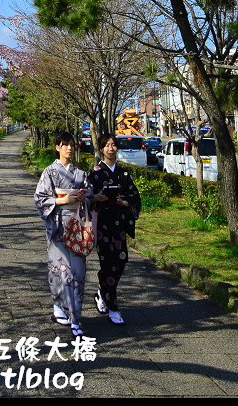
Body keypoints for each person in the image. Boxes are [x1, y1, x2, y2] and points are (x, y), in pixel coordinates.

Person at [34, 130, 91, 338]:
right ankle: (66, 312)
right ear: (57, 147)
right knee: (62, 271)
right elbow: (40, 199)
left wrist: (84, 197)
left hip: (76, 226)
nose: (69, 148)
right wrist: (60, 201)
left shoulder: (80, 174)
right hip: (58, 227)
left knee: (78, 272)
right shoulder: (49, 172)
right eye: (65, 145)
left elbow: (89, 194)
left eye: (71, 145)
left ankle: (75, 314)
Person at [87, 131, 142, 325]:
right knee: (107, 264)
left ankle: (102, 292)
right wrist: (96, 198)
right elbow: (86, 198)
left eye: (113, 145)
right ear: (101, 149)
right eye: (107, 145)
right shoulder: (95, 173)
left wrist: (124, 202)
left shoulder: (123, 173)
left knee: (121, 262)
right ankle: (113, 307)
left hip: (119, 225)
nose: (111, 148)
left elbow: (135, 197)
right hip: (102, 225)